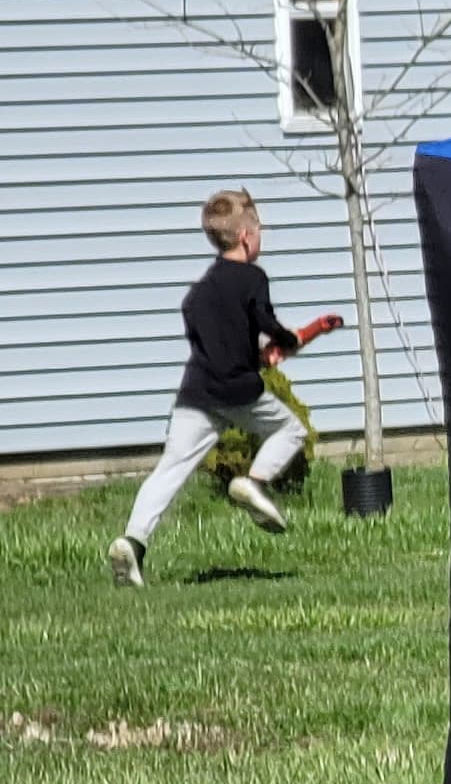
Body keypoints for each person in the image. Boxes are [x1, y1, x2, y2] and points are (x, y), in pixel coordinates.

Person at [107, 190, 309, 588]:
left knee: (170, 469)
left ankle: (132, 542)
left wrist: (254, 353)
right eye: (260, 231)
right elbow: (265, 322)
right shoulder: (253, 278)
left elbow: (214, 341)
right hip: (236, 391)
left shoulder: (198, 292)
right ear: (248, 236)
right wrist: (286, 340)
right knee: (290, 429)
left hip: (197, 393)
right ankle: (254, 481)